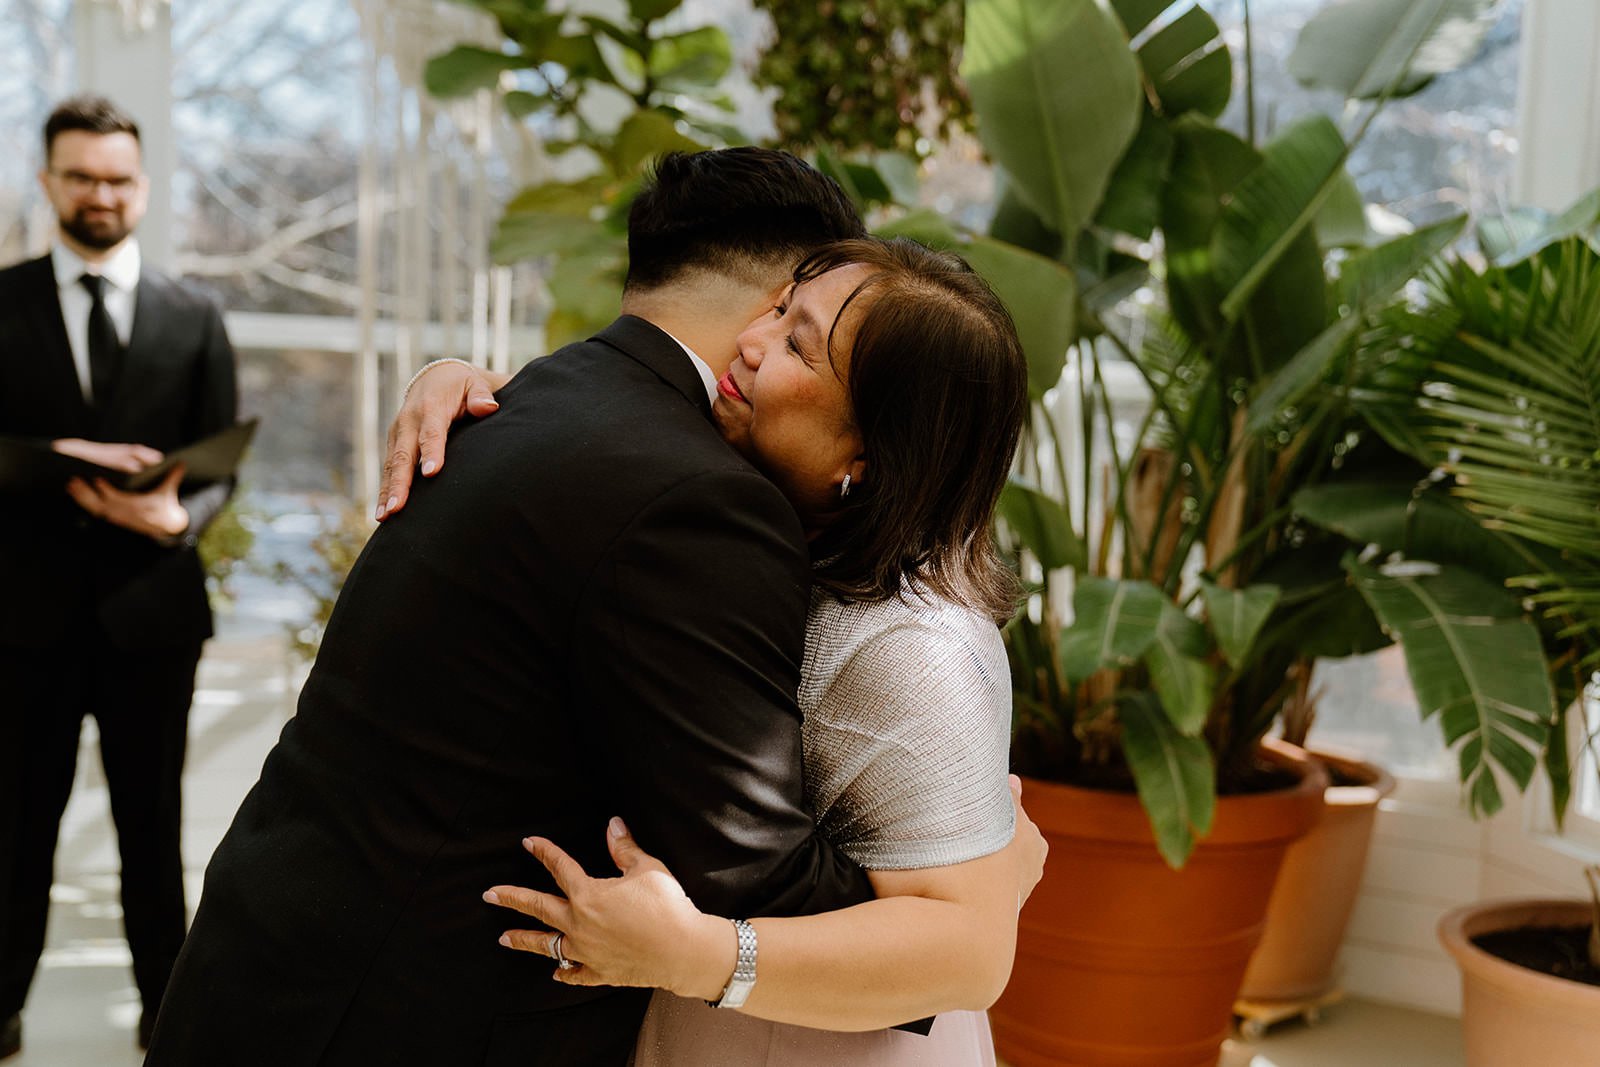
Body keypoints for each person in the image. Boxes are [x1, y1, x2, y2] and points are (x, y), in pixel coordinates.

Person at [144, 148, 891, 1067]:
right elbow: (753, 869)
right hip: (397, 1015)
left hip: (268, 958)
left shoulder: (528, 394)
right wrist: (958, 905)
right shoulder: (699, 497)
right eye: (809, 319)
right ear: (777, 301)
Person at [381, 236, 1040, 1062]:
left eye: (798, 344)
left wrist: (699, 954)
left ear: (865, 461)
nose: (750, 343)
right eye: (778, 311)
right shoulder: (758, 510)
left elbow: (973, 952)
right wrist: (461, 383)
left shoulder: (914, 643)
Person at [0, 95, 239, 1058]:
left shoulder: (195, 313)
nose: (102, 194)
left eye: (119, 178)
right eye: (83, 176)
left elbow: (220, 464)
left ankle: (166, 1014)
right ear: (50, 181)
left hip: (153, 616)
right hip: (17, 620)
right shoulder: (1, 302)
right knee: (15, 829)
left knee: (154, 826)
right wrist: (50, 451)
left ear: (144, 188)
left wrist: (182, 514)